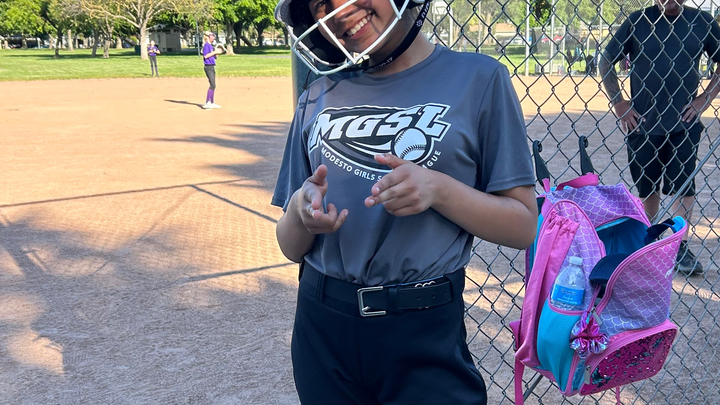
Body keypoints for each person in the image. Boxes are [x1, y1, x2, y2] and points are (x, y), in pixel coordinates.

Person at [271, 0, 538, 403]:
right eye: (321, 3)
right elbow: (290, 247)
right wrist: (299, 212)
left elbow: (522, 226)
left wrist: (439, 190)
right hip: (322, 325)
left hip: (423, 327)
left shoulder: (480, 79)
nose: (339, 9)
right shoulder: (317, 94)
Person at [599, 0, 720, 276]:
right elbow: (606, 61)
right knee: (647, 188)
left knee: (683, 186)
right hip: (643, 124)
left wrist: (705, 98)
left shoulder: (701, 22)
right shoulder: (638, 21)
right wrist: (619, 103)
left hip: (684, 123)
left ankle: (679, 246)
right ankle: (647, 240)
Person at [201, 31, 224, 109]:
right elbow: (205, 56)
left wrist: (218, 53)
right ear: (208, 37)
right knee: (212, 85)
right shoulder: (206, 45)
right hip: (208, 67)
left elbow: (214, 57)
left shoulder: (210, 46)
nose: (214, 37)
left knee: (213, 85)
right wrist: (214, 52)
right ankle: (207, 102)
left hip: (212, 66)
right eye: (212, 35)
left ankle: (212, 102)